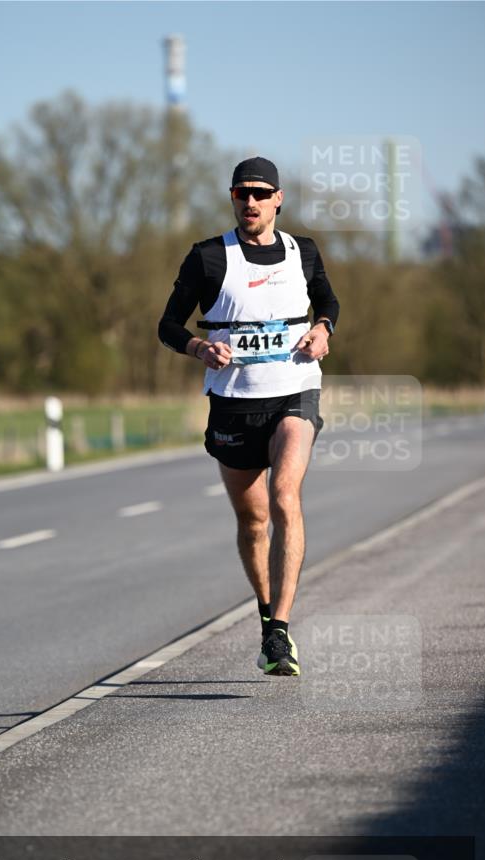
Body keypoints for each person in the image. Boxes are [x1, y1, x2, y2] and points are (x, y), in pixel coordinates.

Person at [158, 156, 339, 676]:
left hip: (294, 390)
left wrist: (323, 327)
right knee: (254, 519)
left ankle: (280, 631)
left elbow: (327, 299)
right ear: (232, 198)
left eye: (261, 193)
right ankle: (266, 617)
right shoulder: (209, 257)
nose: (251, 202)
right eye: (242, 194)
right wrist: (197, 348)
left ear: (278, 198)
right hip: (234, 403)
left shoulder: (302, 252)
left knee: (285, 495)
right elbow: (168, 325)